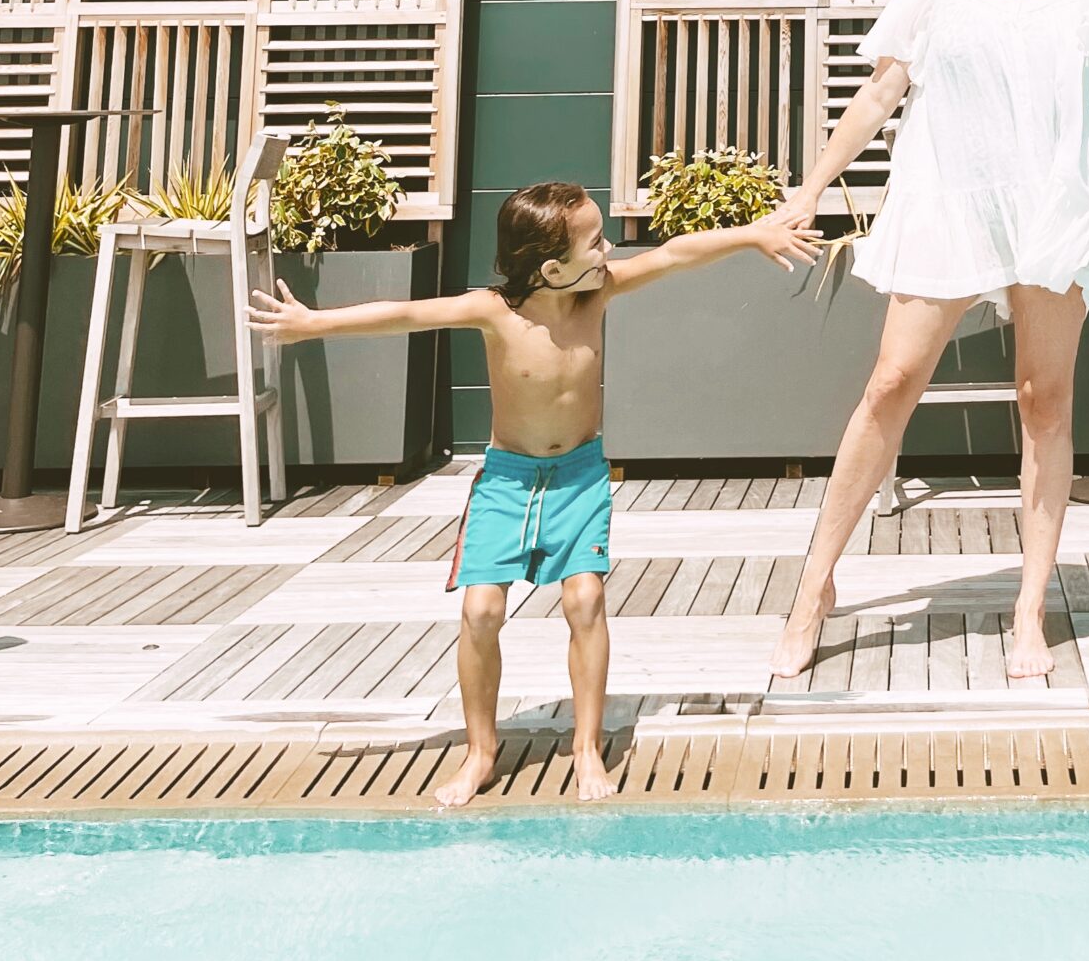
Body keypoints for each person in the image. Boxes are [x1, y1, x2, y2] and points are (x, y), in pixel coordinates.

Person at [767, 0, 1089, 681]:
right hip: (948, 206)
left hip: (1048, 210)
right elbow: (881, 89)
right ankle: (814, 587)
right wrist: (810, 188)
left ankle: (1029, 610)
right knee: (890, 382)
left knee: (1043, 401)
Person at [248, 181, 821, 806]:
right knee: (480, 612)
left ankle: (584, 745)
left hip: (578, 477)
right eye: (596, 241)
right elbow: (407, 313)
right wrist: (311, 324)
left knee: (585, 601)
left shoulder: (596, 295)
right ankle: (481, 751)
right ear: (551, 268)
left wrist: (752, 234)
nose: (609, 251)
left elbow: (675, 254)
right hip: (507, 482)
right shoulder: (495, 311)